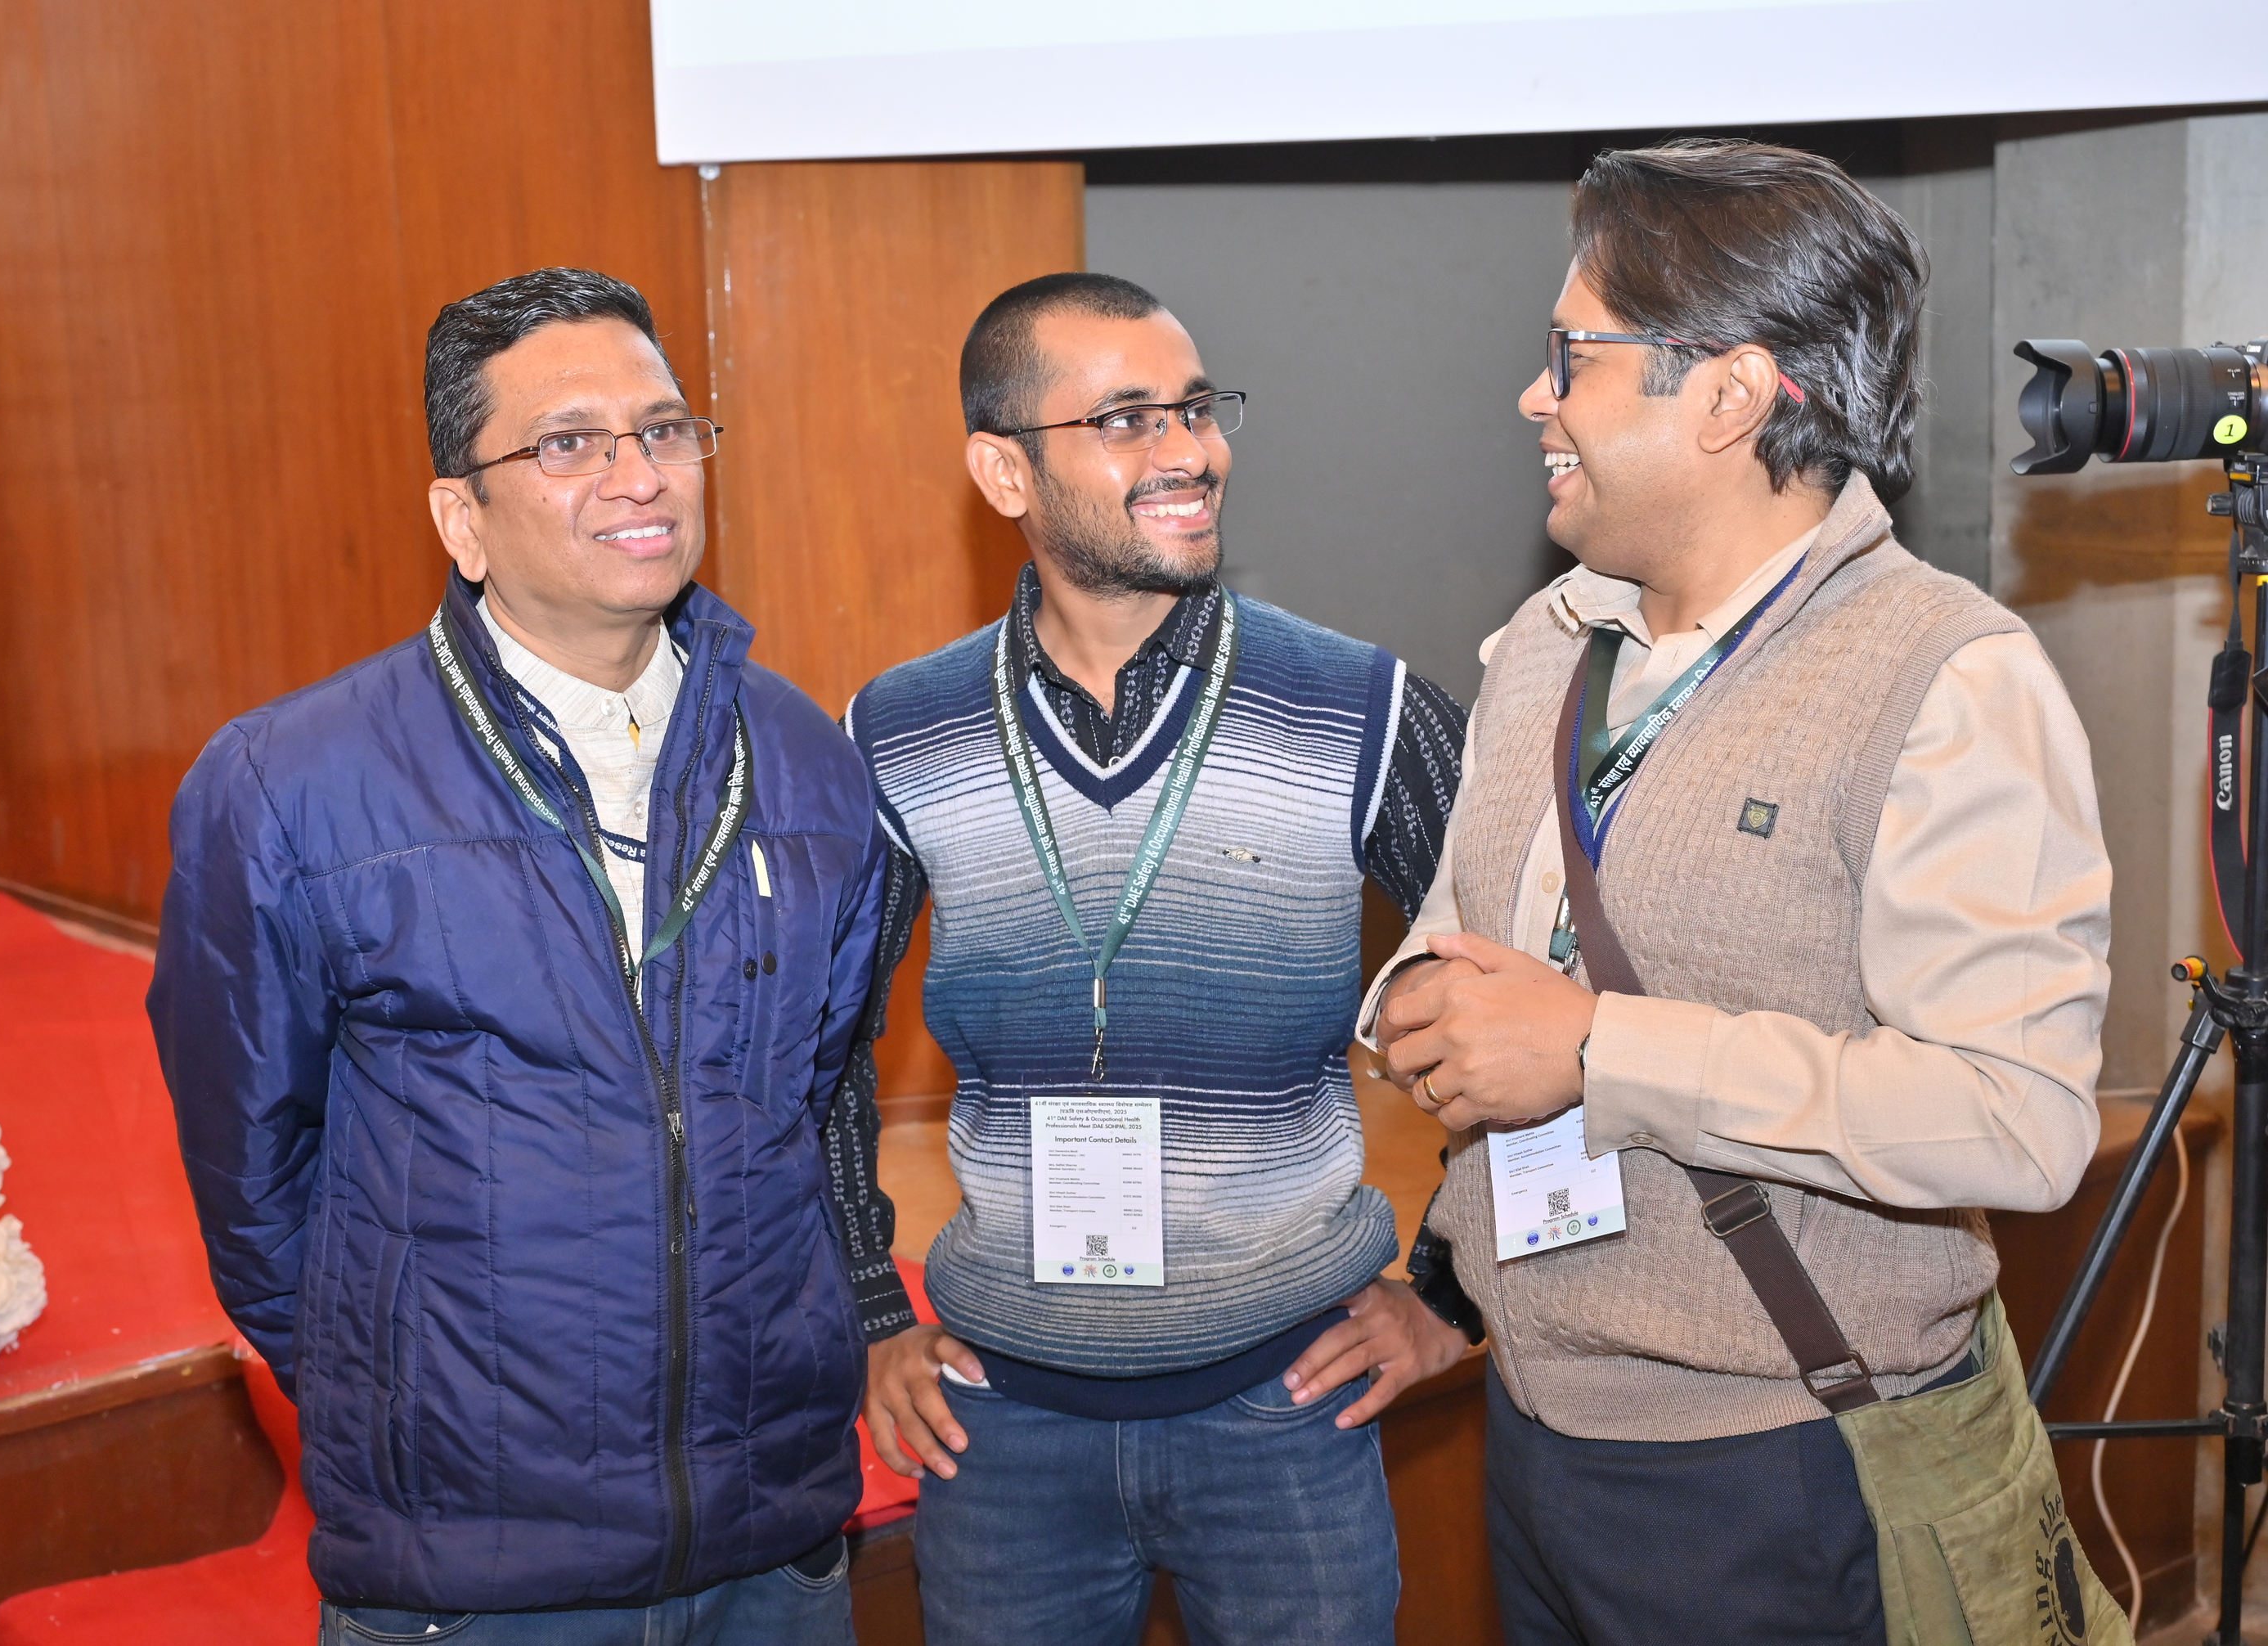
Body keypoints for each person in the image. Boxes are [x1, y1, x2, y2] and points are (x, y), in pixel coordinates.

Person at [1368, 139, 2113, 1645]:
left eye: (1571, 357)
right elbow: (1460, 937)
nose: (1532, 399)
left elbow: (2017, 1118)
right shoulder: (1543, 646)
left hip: (1785, 1469)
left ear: (1726, 393)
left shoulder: (1944, 677)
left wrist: (1599, 1051)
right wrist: (1421, 1000)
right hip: (1536, 1434)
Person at [149, 267, 887, 1645]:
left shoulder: (804, 759)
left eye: (663, 430)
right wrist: (403, 1397)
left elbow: (820, 1091)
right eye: (568, 443)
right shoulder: (291, 783)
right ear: (461, 518)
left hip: (770, 1540)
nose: (638, 475)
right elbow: (251, 1170)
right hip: (473, 1572)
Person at [842, 272, 1478, 1646]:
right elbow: (815, 1052)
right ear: (1002, 472)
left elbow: (1539, 993)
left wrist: (1452, 1290)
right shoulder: (899, 729)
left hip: (1291, 1405)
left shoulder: (1358, 704)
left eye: (1195, 409)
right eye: (1126, 419)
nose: (1189, 450)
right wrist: (866, 1313)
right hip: (1000, 1433)